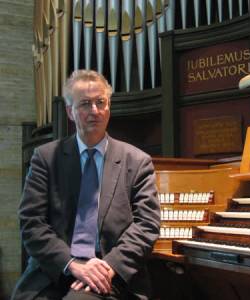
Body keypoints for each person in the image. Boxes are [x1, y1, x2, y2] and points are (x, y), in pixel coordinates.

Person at [11, 70, 161, 300]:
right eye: (85, 104)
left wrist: (109, 267)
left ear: (109, 107)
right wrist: (71, 264)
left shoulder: (137, 162)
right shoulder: (45, 158)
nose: (95, 111)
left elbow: (147, 225)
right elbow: (31, 222)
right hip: (55, 269)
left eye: (101, 102)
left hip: (109, 273)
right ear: (70, 112)